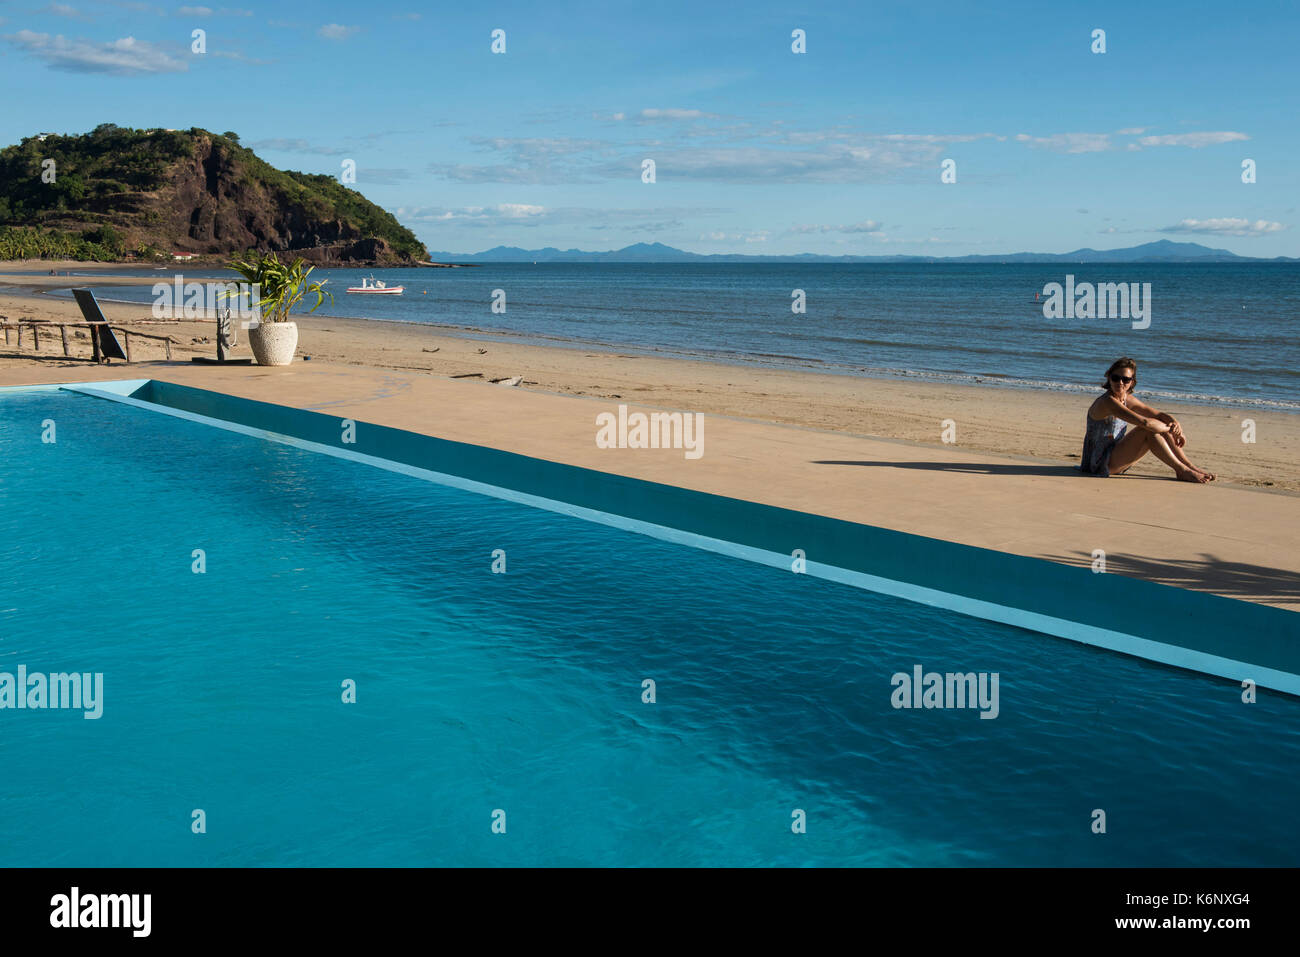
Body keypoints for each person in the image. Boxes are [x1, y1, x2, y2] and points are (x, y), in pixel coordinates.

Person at [1081, 357, 1215, 483]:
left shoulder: (1127, 399)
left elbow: (1159, 414)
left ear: (1132, 382)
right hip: (1099, 463)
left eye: (1125, 379)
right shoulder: (1108, 402)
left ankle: (1189, 466)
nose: (1120, 383)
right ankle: (1181, 470)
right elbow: (1145, 423)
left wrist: (1176, 424)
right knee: (1147, 429)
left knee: (1155, 427)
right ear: (1109, 377)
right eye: (1115, 378)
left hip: (1116, 455)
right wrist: (1170, 429)